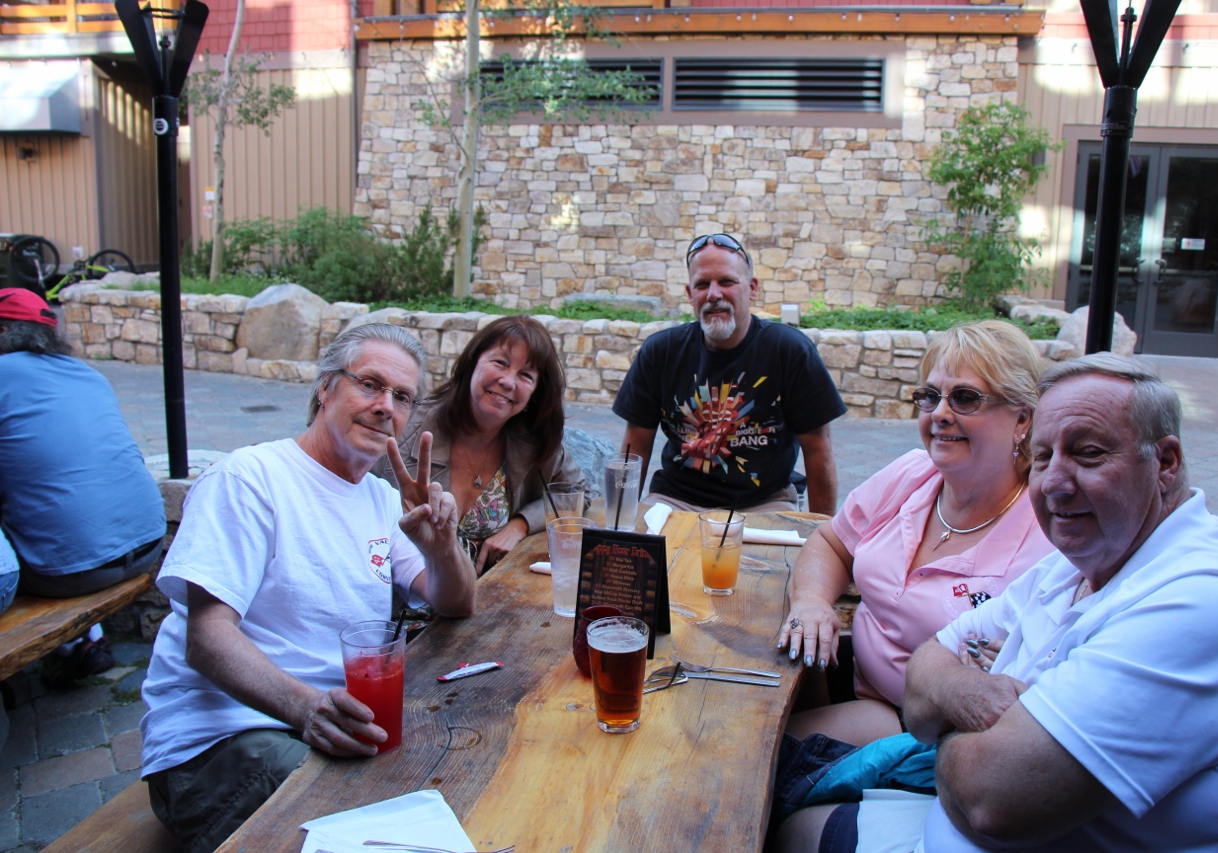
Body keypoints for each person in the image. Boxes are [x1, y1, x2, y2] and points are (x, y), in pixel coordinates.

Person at [897, 353, 1218, 852]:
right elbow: (921, 675)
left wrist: (951, 719)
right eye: (1041, 457)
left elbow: (992, 799)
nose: (1054, 481)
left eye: (1089, 452)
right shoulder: (1079, 560)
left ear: (1165, 462)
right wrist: (972, 697)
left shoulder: (1204, 598)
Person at [140, 323, 476, 853]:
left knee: (461, 780)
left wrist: (442, 547)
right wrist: (305, 708)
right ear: (325, 387)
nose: (385, 405)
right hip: (226, 740)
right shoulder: (251, 477)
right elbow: (206, 636)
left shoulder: (382, 500)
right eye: (369, 384)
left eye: (403, 396)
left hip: (328, 723)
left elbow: (455, 603)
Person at [772, 320, 1053, 795]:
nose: (940, 414)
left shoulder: (1046, 534)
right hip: (851, 685)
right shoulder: (914, 474)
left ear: (1023, 419)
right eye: (930, 397)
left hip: (926, 738)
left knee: (748, 758)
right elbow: (832, 541)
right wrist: (813, 603)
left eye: (965, 398)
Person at [612, 233, 847, 515]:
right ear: (689, 295)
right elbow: (634, 448)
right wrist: (620, 524)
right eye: (702, 285)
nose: (713, 294)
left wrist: (821, 534)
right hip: (674, 501)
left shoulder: (790, 351)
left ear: (752, 288)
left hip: (765, 502)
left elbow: (818, 450)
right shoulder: (660, 352)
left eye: (726, 282)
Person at [0, 288, 165, 680]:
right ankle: (86, 639)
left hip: (69, 572)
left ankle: (76, 643)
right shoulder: (89, 375)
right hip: (148, 544)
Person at [373, 315, 585, 575]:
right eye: (500, 363)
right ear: (473, 362)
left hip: (488, 601)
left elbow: (577, 495)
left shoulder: (534, 440)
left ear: (534, 394)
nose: (508, 381)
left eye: (525, 375)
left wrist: (521, 524)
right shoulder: (406, 424)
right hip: (404, 602)